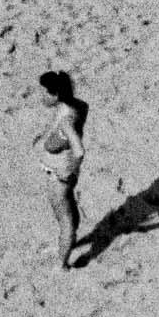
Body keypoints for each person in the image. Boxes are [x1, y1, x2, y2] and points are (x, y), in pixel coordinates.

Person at [36, 69, 88, 266]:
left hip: (60, 178)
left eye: (46, 93)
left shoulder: (67, 120)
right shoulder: (78, 105)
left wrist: (68, 170)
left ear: (56, 94)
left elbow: (79, 150)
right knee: (70, 212)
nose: (42, 96)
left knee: (65, 221)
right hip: (67, 175)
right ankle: (66, 244)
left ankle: (61, 265)